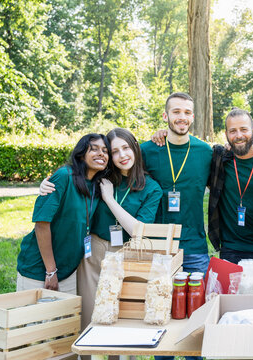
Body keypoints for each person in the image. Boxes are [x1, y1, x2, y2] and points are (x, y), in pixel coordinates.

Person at [39, 128, 163, 337]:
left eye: (126, 148)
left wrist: (110, 199)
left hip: (127, 253)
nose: (122, 156)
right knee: (88, 315)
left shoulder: (151, 188)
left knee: (123, 315)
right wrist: (45, 185)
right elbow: (71, 180)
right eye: (115, 152)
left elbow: (137, 230)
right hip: (93, 252)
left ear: (135, 149)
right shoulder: (101, 176)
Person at [17, 133, 108, 295]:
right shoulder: (64, 176)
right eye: (94, 149)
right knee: (36, 320)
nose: (101, 153)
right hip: (40, 270)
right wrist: (50, 271)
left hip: (69, 271)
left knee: (66, 320)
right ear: (81, 155)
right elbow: (41, 224)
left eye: (105, 150)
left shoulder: (98, 185)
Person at [141, 92, 212, 275]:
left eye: (187, 113)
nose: (182, 117)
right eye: (176, 112)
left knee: (197, 301)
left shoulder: (205, 152)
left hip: (194, 247)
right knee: (157, 302)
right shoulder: (147, 150)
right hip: (157, 244)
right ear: (166, 116)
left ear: (193, 117)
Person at [208, 108, 253, 269]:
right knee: (232, 294)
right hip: (231, 248)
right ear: (226, 134)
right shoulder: (219, 158)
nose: (239, 135)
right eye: (233, 131)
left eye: (244, 129)